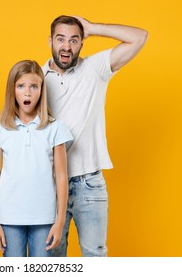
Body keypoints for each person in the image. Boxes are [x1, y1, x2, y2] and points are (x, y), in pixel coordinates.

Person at [42, 15, 148, 257]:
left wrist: (93, 28)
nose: (66, 46)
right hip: (49, 184)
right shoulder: (36, 78)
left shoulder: (94, 68)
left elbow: (139, 37)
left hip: (89, 183)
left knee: (95, 258)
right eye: (60, 39)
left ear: (82, 43)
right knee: (51, 259)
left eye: (74, 40)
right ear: (50, 40)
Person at [0, 60, 73, 257]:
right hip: (9, 219)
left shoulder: (56, 127)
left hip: (44, 218)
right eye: (21, 86)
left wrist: (59, 222)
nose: (27, 93)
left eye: (34, 86)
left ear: (41, 90)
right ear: (12, 90)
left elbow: (61, 176)